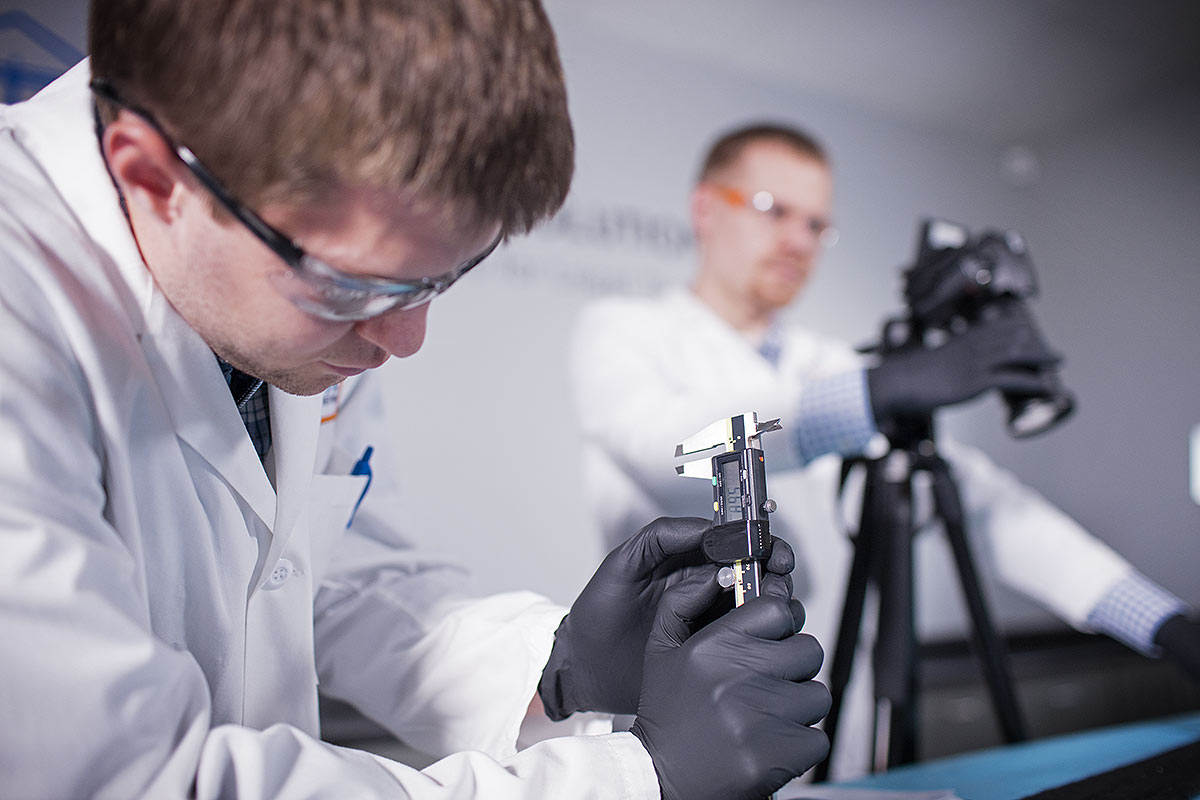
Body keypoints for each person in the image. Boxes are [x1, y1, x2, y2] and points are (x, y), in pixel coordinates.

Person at [0, 5, 833, 798]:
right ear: (152, 178)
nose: (405, 342)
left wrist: (557, 667)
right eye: (352, 287)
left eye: (442, 279)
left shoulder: (311, 326)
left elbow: (341, 572)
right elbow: (118, 779)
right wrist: (634, 781)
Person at [569, 122, 1200, 779]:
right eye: (772, 209)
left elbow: (980, 503)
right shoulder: (624, 330)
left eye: (816, 224)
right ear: (705, 208)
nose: (798, 240)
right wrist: (879, 389)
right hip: (680, 724)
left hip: (837, 710)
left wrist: (1162, 623)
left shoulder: (829, 364)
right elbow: (658, 441)